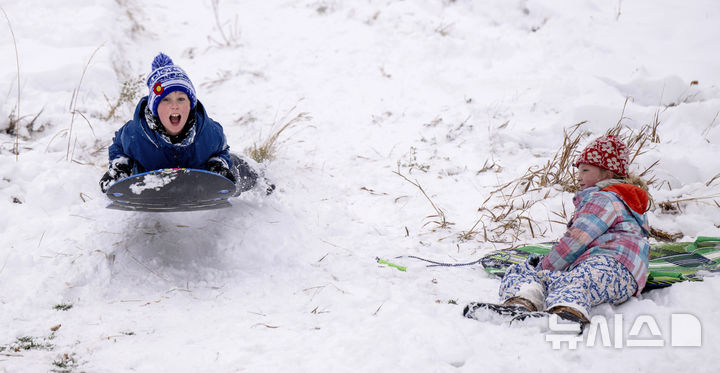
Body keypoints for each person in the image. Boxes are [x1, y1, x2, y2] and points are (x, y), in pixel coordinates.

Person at [468, 135, 651, 324]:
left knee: (533, 274)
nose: (578, 177)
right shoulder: (628, 202)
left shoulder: (603, 199)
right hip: (628, 281)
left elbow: (574, 242)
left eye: (586, 170)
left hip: (605, 265)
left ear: (608, 174)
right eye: (578, 171)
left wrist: (542, 267)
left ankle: (543, 306)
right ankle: (553, 307)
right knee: (569, 281)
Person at [99, 52, 259, 195]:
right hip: (152, 178)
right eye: (165, 100)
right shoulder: (136, 133)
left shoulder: (207, 131)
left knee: (240, 169)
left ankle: (262, 177)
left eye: (181, 99)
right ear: (154, 108)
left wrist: (218, 165)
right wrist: (120, 167)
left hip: (199, 178)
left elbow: (221, 149)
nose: (174, 106)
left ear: (190, 105)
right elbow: (118, 148)